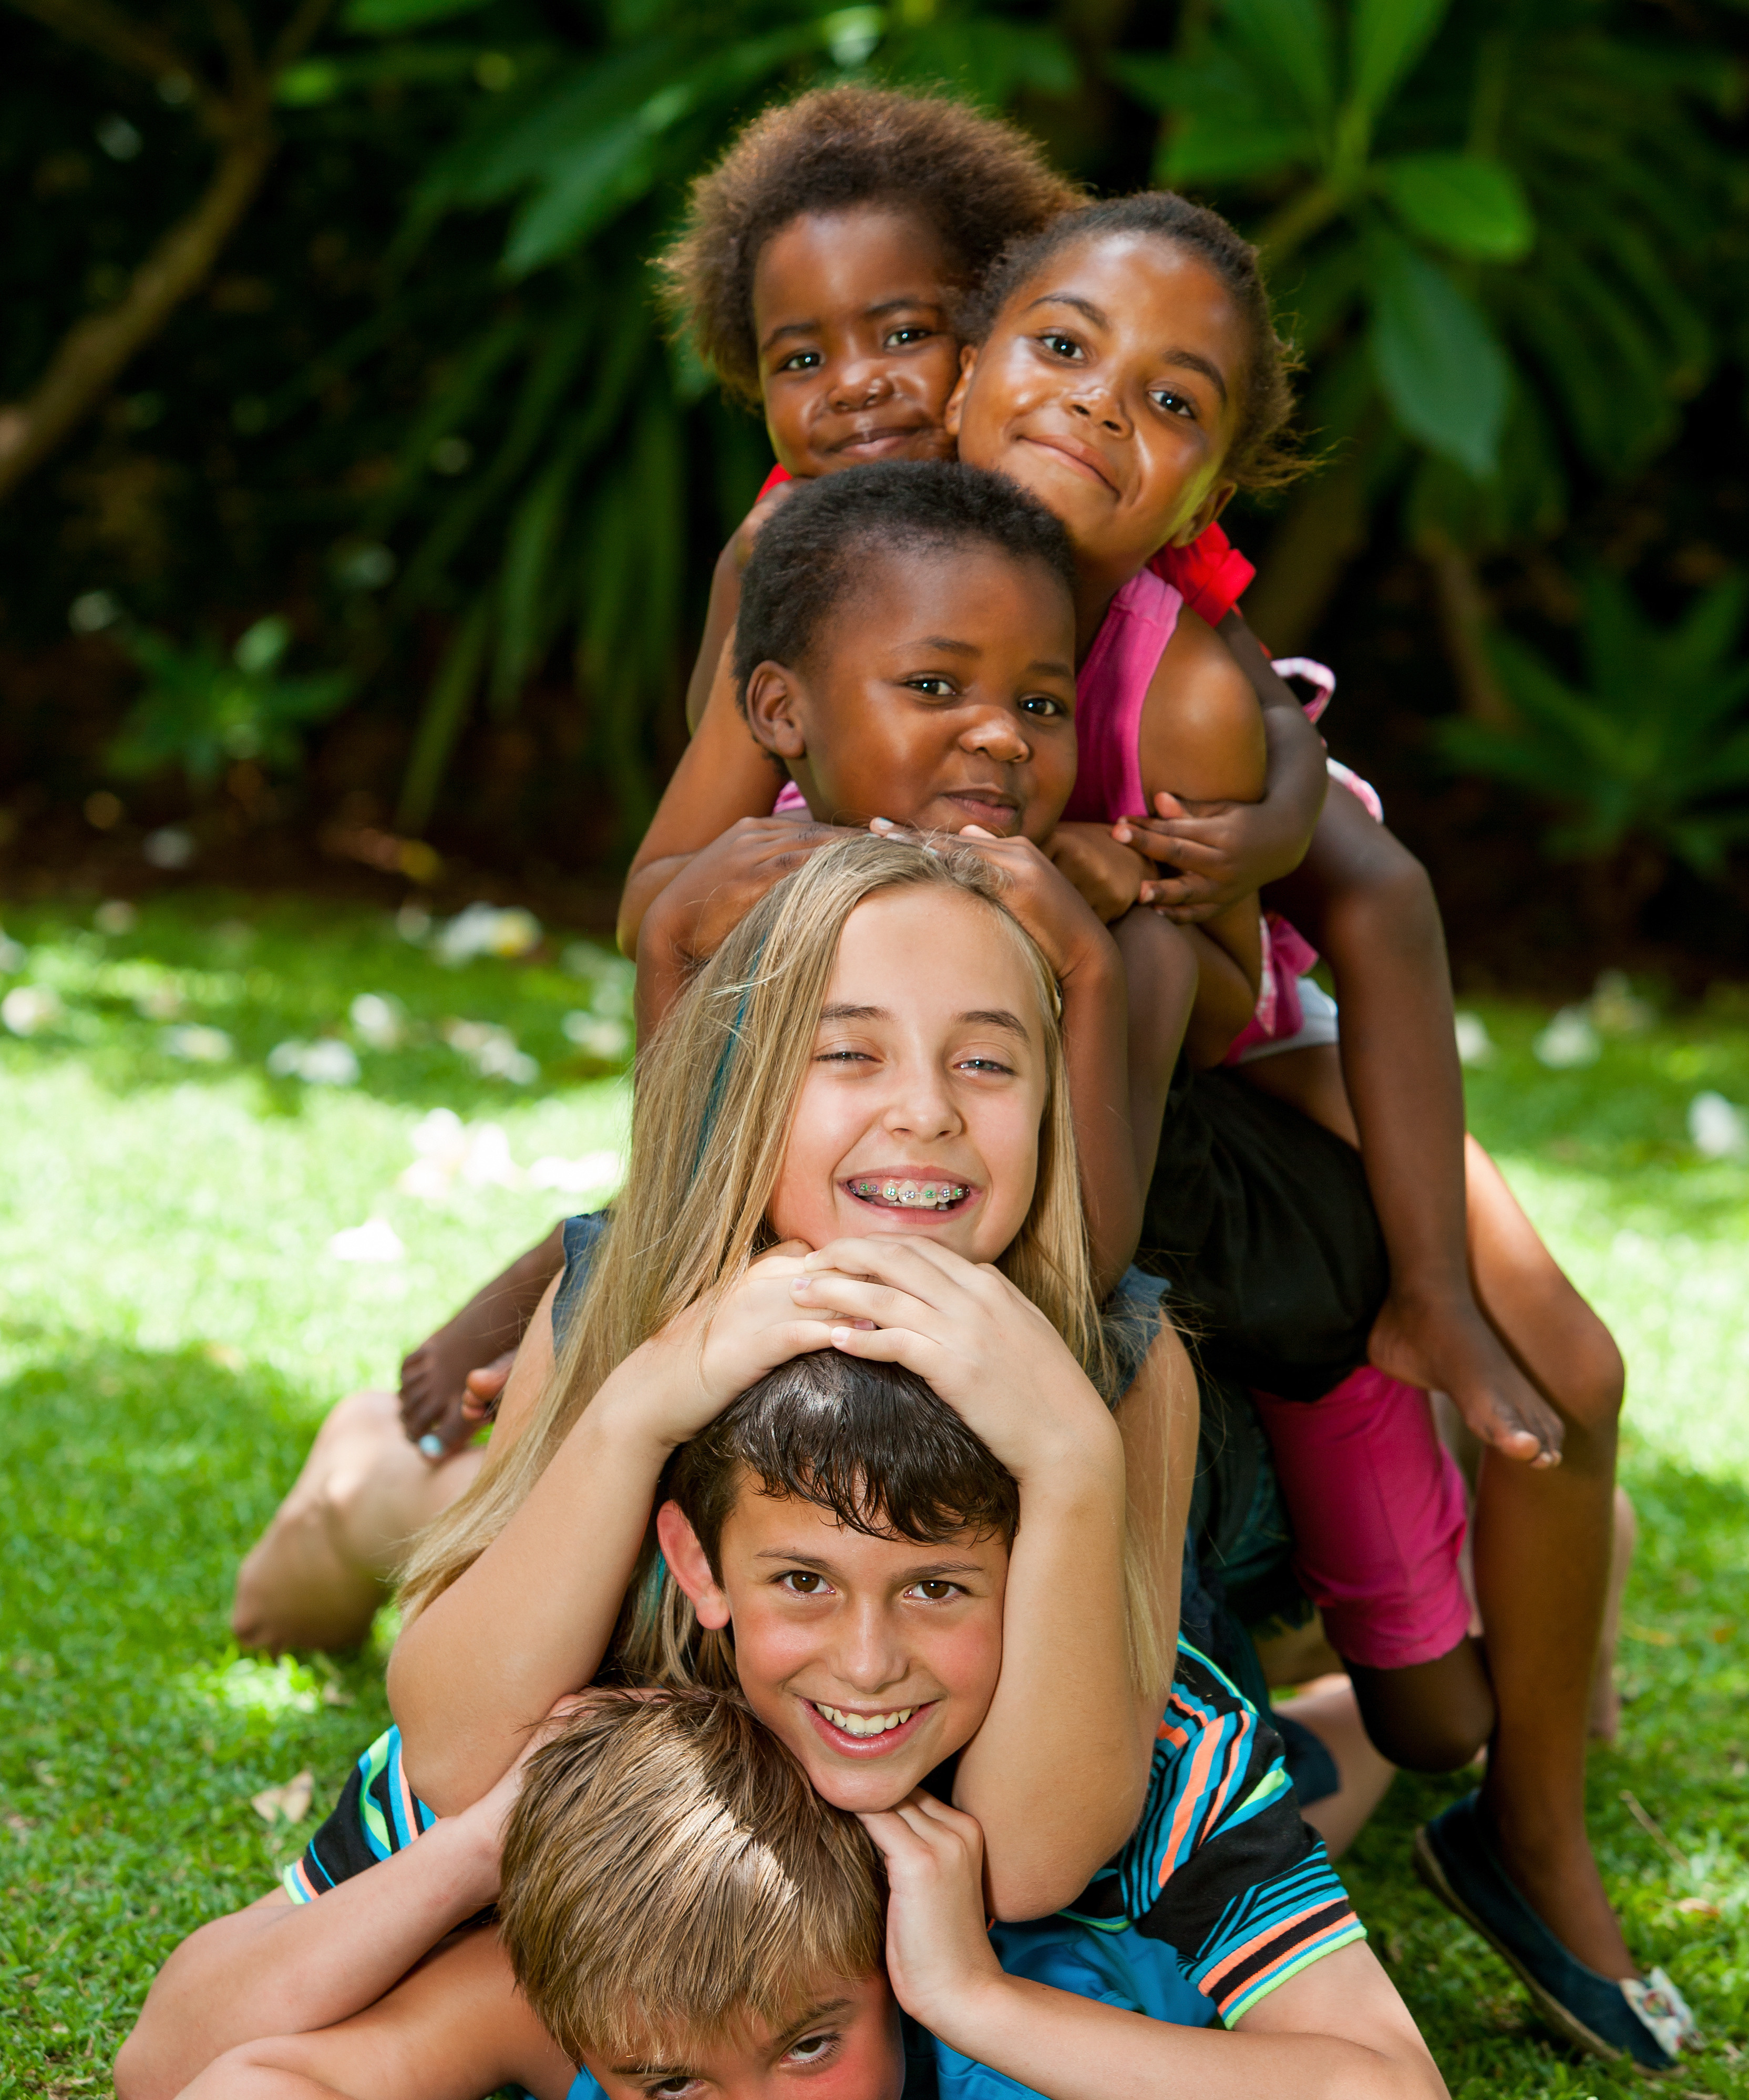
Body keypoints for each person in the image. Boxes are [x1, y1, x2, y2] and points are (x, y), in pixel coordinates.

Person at [124, 1470, 1445, 2099]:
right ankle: (378, 1452)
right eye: (670, 2090)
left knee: (1359, 1741)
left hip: (1149, 1632)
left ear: (894, 1961)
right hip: (570, 1554)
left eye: (811, 2048)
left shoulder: (1129, 1797)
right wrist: (484, 1843)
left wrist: (968, 1994)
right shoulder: (526, 1756)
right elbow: (189, 2071)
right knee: (425, 1491)